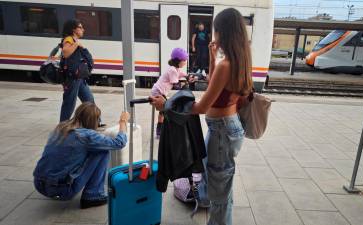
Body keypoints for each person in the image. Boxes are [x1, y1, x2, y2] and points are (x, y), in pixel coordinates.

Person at [151, 8, 253, 225]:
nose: (214, 35)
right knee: (211, 171)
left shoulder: (227, 65)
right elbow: (216, 86)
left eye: (216, 31)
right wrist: (214, 58)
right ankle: (206, 199)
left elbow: (202, 106)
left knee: (221, 189)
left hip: (222, 132)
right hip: (225, 128)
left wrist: (166, 104)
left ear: (224, 32)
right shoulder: (239, 60)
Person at [33, 102, 129, 209]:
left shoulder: (61, 127)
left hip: (39, 184)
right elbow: (119, 143)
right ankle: (92, 196)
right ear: (93, 121)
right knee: (102, 151)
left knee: (93, 148)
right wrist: (123, 121)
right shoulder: (86, 136)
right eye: (98, 120)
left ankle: (87, 191)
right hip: (62, 190)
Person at [59, 19, 103, 126]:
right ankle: (63, 125)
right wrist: (76, 44)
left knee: (88, 99)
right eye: (80, 27)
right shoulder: (69, 39)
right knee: (69, 102)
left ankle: (95, 122)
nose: (83, 29)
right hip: (72, 78)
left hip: (79, 77)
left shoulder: (74, 40)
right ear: (74, 30)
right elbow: (65, 53)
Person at [151, 47, 194, 137]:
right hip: (158, 91)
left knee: (164, 111)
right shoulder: (172, 70)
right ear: (178, 61)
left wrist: (188, 77)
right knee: (164, 111)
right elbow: (176, 84)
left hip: (160, 91)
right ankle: (160, 131)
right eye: (184, 60)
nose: (185, 62)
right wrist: (186, 83)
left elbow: (182, 74)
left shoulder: (175, 69)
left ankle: (161, 130)